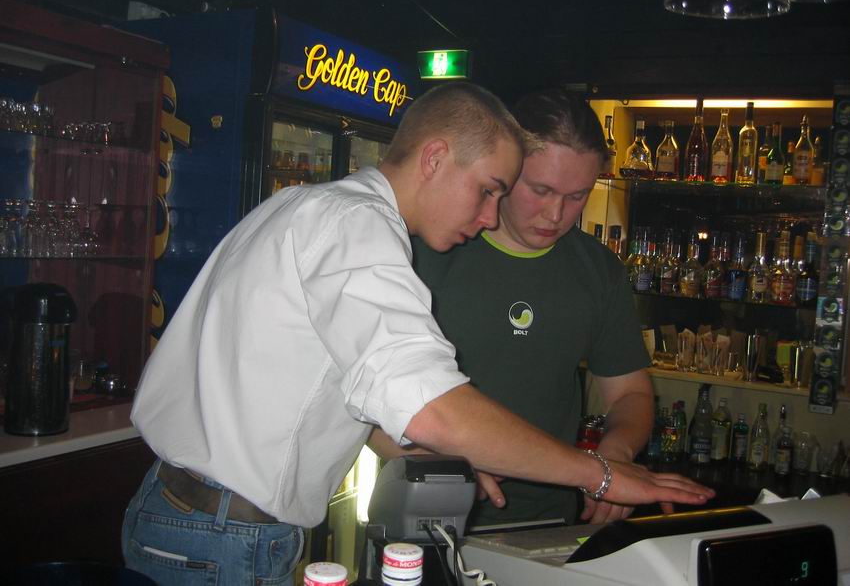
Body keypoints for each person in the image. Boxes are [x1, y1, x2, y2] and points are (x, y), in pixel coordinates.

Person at [123, 82, 712, 586]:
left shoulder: (309, 206)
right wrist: (601, 474)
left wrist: (439, 456)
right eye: (488, 189)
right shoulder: (358, 227)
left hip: (197, 517)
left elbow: (355, 390)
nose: (489, 215)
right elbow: (432, 409)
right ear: (434, 158)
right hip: (223, 534)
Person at [371, 88, 654, 528]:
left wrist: (615, 454)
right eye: (541, 190)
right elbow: (360, 405)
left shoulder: (598, 270)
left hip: (549, 520)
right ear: (506, 169)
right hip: (424, 514)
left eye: (577, 196)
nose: (556, 214)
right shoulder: (425, 247)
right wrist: (437, 460)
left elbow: (631, 393)